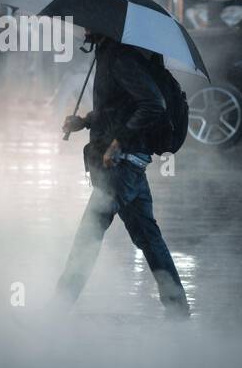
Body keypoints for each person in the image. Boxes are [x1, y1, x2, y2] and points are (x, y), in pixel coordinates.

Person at [57, 33, 189, 314]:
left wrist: (119, 141)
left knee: (87, 237)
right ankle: (179, 312)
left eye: (88, 23)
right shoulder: (108, 55)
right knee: (150, 239)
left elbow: (153, 104)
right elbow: (117, 108)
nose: (83, 29)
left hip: (121, 167)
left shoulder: (119, 57)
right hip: (129, 168)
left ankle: (55, 311)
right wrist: (84, 121)